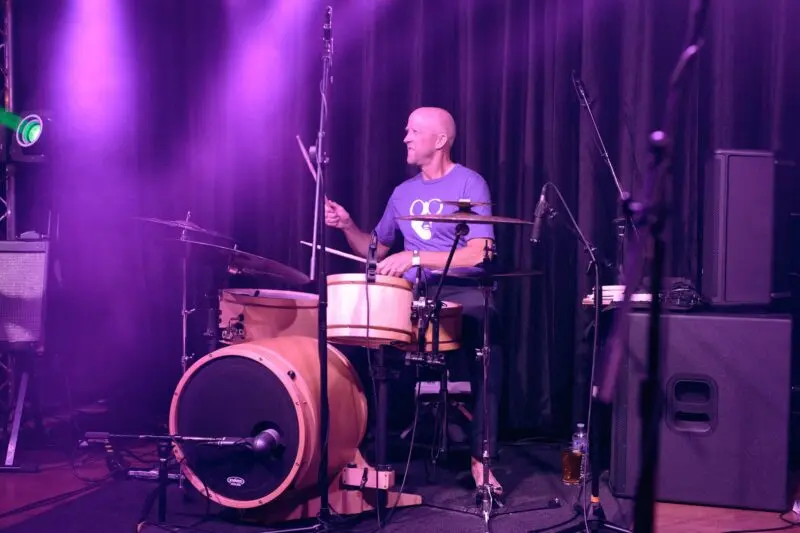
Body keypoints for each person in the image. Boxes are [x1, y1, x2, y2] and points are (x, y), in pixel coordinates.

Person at [324, 106, 504, 495]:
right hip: (412, 292)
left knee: (487, 345)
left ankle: (481, 458)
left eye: (413, 131)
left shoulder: (469, 184)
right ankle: (369, 451)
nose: (405, 137)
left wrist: (417, 257)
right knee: (357, 340)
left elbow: (479, 253)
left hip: (460, 288)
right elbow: (375, 251)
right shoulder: (402, 193)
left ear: (439, 140)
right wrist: (347, 226)